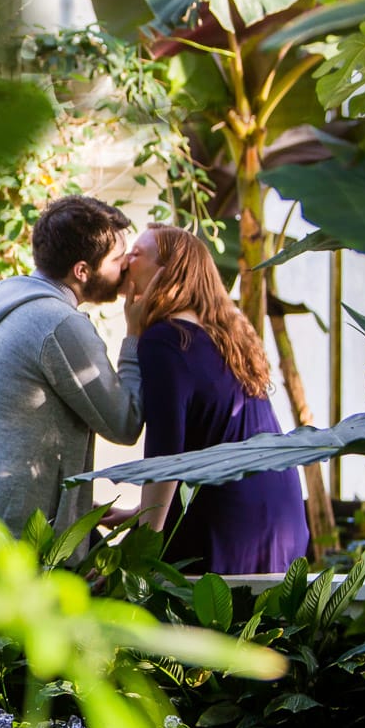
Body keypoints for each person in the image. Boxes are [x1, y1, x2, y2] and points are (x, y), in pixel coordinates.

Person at [0, 196, 146, 536]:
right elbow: (124, 423)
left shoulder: (3, 299)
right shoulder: (58, 323)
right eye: (117, 260)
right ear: (82, 270)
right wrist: (135, 333)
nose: (124, 267)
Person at [119, 223, 308, 574]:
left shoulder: (166, 339)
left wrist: (139, 551)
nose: (125, 260)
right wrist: (140, 514)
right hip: (281, 517)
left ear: (166, 272)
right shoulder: (224, 334)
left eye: (136, 253)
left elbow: (166, 454)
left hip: (229, 523)